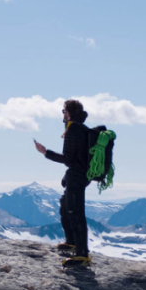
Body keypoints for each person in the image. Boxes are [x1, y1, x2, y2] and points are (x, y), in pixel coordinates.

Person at [34, 99, 93, 267]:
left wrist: (45, 152)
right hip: (80, 175)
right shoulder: (81, 129)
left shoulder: (73, 130)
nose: (63, 114)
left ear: (69, 113)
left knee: (75, 212)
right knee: (66, 205)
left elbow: (68, 159)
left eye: (64, 111)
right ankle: (72, 242)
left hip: (77, 176)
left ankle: (82, 254)